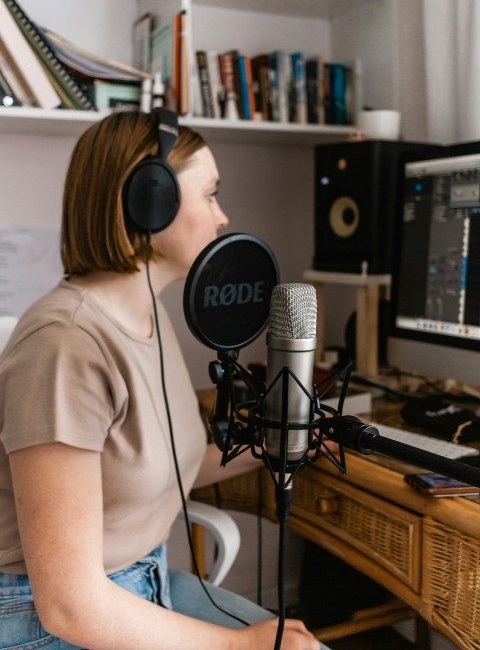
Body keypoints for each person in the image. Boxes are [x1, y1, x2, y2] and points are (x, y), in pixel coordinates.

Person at [0, 110, 327, 650]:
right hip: (47, 622)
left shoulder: (148, 314)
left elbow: (161, 465)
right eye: (211, 195)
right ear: (151, 202)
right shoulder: (65, 345)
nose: (224, 217)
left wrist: (282, 441)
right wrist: (241, 646)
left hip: (140, 585)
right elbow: (68, 606)